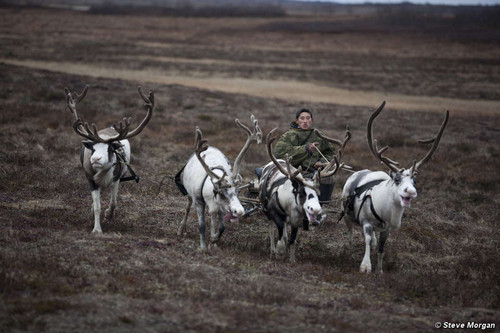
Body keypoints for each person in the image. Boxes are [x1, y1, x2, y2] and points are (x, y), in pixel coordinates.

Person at [274, 108, 336, 228]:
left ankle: (318, 209)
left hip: (314, 172)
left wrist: (322, 162)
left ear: (312, 120)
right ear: (297, 121)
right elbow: (279, 153)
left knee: (329, 178)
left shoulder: (319, 136)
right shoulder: (288, 136)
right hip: (293, 172)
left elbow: (331, 152)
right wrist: (306, 149)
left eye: (308, 118)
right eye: (302, 118)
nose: (305, 121)